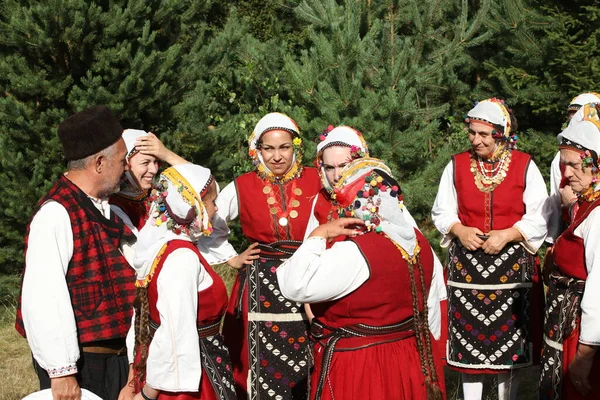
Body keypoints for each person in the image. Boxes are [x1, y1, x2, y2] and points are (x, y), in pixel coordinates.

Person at [277, 157, 445, 400]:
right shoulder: (419, 242)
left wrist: (318, 233)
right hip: (408, 356)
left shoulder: (357, 252)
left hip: (362, 364)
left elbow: (292, 284)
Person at [15, 105, 136, 400]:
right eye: (122, 160)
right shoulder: (55, 215)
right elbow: (44, 298)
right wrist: (62, 372)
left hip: (117, 362)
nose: (127, 167)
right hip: (82, 369)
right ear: (98, 163)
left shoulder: (113, 211)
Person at [198, 112, 321, 399]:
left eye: (284, 147)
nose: (277, 156)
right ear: (258, 150)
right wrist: (232, 257)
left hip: (309, 275)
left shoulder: (317, 179)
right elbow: (209, 223)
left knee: (309, 353)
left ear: (296, 147)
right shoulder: (243, 185)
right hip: (259, 283)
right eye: (269, 148)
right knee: (259, 363)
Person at [431, 98, 548, 400]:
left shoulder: (525, 165)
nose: (476, 140)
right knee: (471, 347)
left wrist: (509, 234)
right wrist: (459, 229)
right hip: (467, 271)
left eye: (484, 134)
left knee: (508, 344)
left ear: (502, 133)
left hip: (512, 271)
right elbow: (442, 210)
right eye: (472, 133)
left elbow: (540, 214)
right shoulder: (456, 164)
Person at [304, 125, 447, 358]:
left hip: (373, 310)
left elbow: (411, 251)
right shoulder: (320, 202)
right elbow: (309, 251)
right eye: (329, 167)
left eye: (344, 165)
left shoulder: (378, 199)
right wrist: (311, 313)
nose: (337, 175)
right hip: (329, 307)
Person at [129, 164, 236, 400]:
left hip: (187, 366)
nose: (216, 208)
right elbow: (176, 331)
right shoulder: (181, 257)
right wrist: (148, 394)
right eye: (211, 202)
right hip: (188, 379)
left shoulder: (164, 245)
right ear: (193, 207)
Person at [539, 103, 600, 400]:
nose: (567, 173)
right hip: (570, 323)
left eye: (576, 165)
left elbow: (599, 289)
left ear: (596, 165)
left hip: (585, 333)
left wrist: (586, 353)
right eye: (564, 165)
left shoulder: (598, 216)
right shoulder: (584, 204)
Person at [109, 129, 187, 235]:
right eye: (145, 163)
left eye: (156, 161)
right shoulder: (113, 207)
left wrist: (167, 155)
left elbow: (205, 187)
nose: (154, 170)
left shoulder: (159, 192)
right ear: (125, 164)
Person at [547, 92, 600, 244]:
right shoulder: (561, 158)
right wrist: (553, 241)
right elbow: (556, 199)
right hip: (569, 232)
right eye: (571, 120)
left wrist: (571, 204)